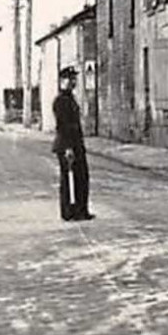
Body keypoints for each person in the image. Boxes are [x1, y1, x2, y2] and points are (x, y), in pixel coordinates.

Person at [52, 67, 93, 222]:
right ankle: (68, 211)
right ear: (62, 81)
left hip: (76, 144)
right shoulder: (61, 101)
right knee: (67, 179)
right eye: (69, 79)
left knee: (81, 177)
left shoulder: (70, 99)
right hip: (66, 146)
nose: (73, 82)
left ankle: (81, 210)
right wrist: (68, 148)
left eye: (74, 79)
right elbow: (62, 126)